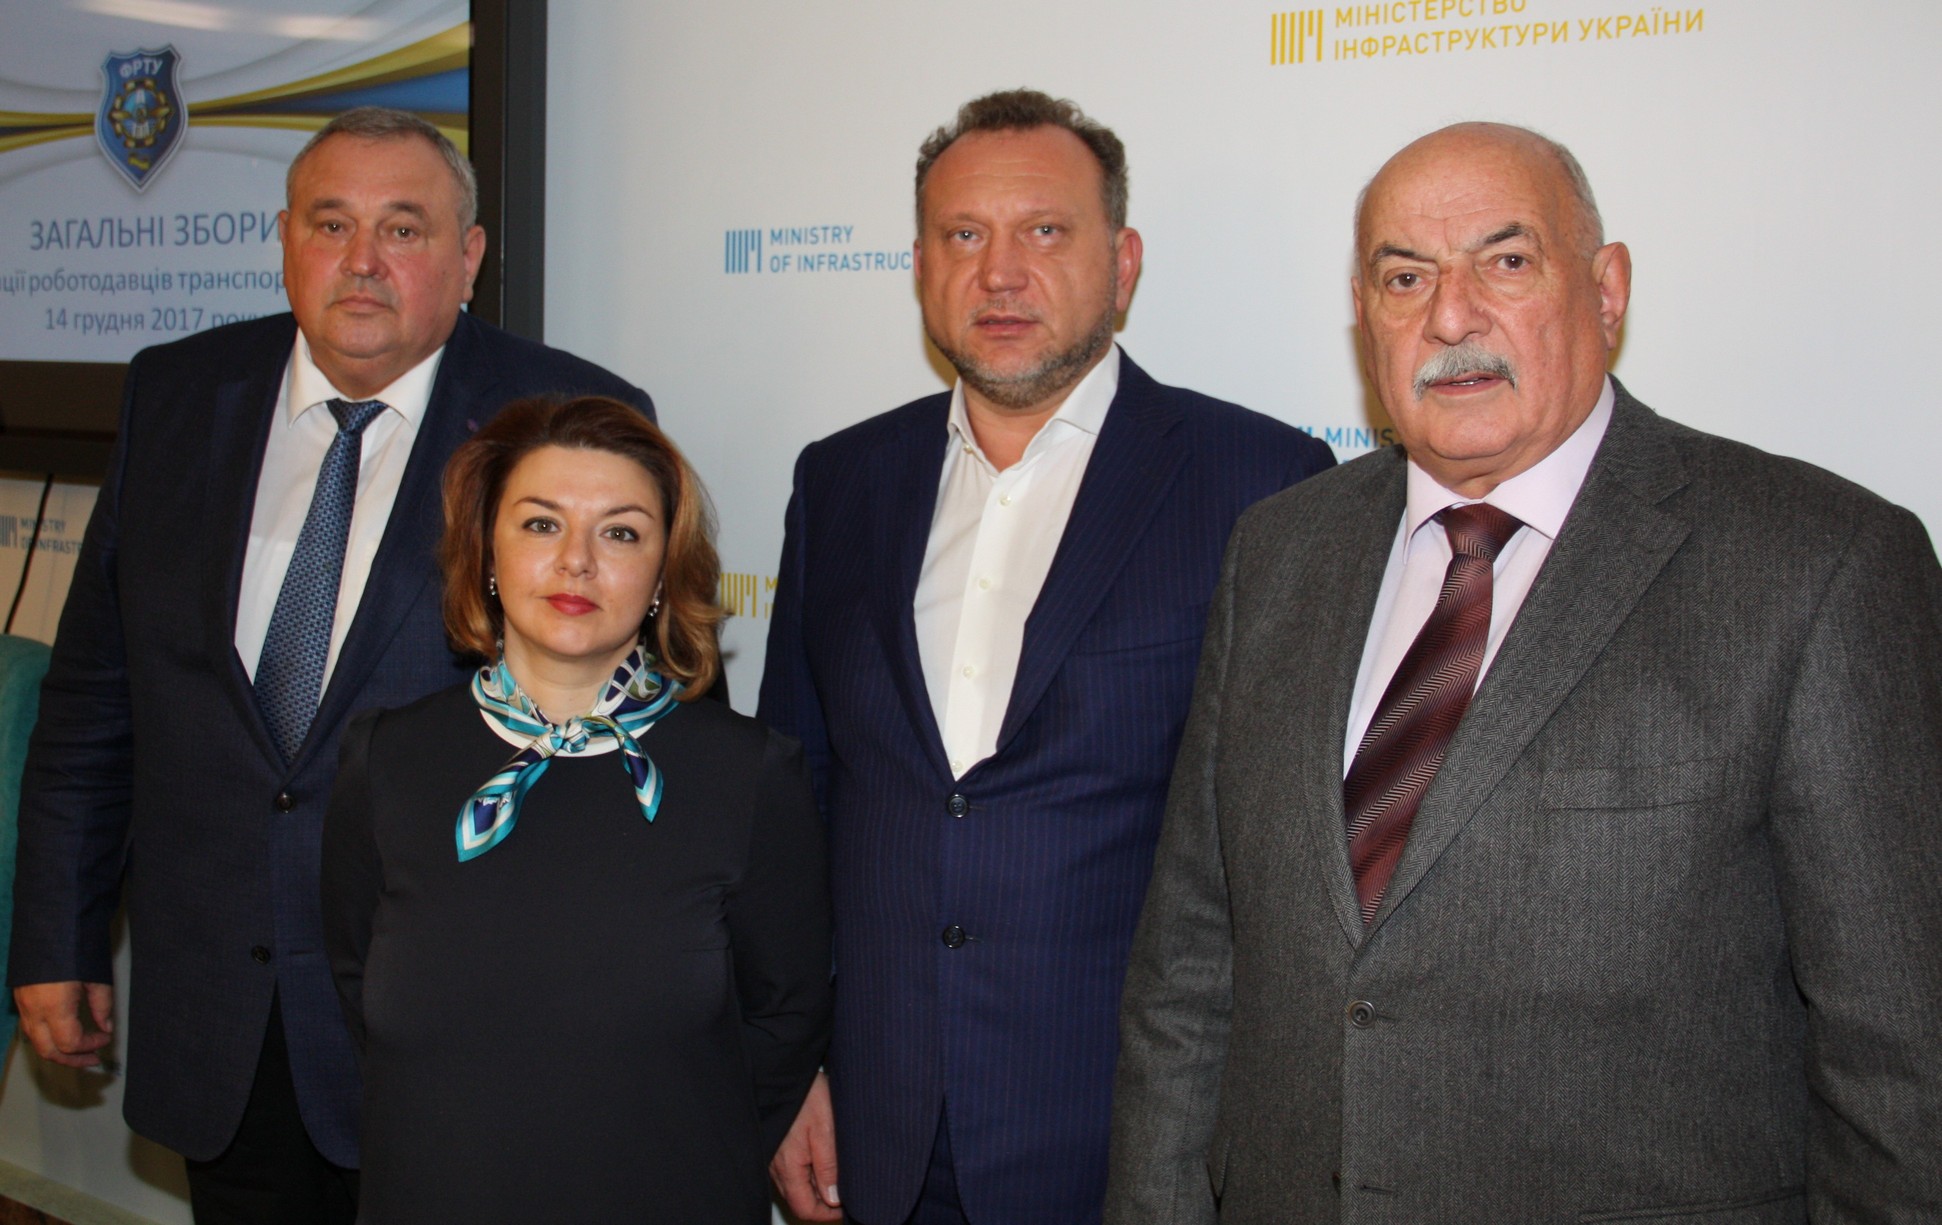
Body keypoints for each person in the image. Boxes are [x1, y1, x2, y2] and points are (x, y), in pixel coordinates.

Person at [1105, 121, 1942, 1223]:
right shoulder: (1277, 553)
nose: (1450, 317)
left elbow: (1899, 1057)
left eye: (1505, 261)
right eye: (1405, 277)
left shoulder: (1818, 563)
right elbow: (1187, 974)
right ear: (1363, 314)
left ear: (1607, 289)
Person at [8, 107, 653, 1224]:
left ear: (469, 256)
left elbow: (615, 749)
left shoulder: (568, 421)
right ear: (284, 238)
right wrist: (55, 934)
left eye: (403, 228)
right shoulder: (176, 394)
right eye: (330, 223)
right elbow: (94, 699)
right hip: (222, 1008)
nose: (361, 261)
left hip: (456, 1023)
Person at [760, 89, 1335, 1225]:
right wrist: (792, 1066)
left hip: (1133, 1143)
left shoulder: (1260, 482)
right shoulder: (841, 481)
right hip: (879, 1128)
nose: (1000, 273)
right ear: (919, 265)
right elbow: (796, 800)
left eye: (1044, 231)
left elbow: (1285, 851)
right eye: (962, 235)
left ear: (1123, 263)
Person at [320, 396, 828, 1223]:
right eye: (541, 524)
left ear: (663, 574)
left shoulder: (751, 774)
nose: (577, 562)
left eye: (621, 533)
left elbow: (787, 1020)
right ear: (487, 549)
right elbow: (356, 988)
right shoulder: (385, 760)